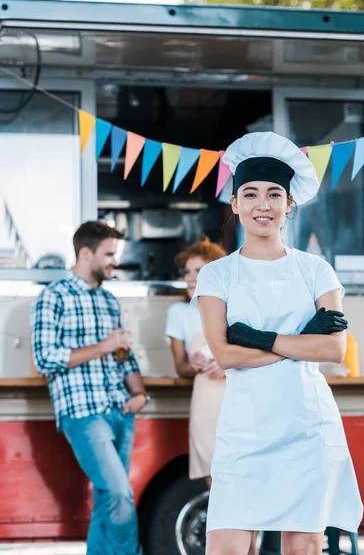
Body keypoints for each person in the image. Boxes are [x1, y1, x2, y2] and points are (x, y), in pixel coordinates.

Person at [192, 132, 363, 555]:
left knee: (303, 546)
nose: (262, 205)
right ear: (234, 204)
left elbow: (333, 350)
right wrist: (302, 336)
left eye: (274, 195)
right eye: (250, 194)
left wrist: (257, 337)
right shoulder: (217, 275)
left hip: (307, 426)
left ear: (289, 204)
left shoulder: (315, 270)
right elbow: (227, 355)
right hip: (244, 431)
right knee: (226, 548)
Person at [31, 220, 149, 555]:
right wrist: (104, 345)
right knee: (118, 493)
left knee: (105, 499)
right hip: (82, 413)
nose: (115, 261)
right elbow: (45, 359)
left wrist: (139, 394)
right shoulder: (52, 298)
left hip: (119, 410)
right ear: (86, 253)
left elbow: (123, 356)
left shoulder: (109, 301)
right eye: (109, 254)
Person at [165, 238, 227, 486]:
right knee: (214, 478)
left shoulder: (235, 308)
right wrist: (193, 365)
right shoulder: (178, 313)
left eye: (199, 271)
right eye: (187, 272)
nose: (190, 278)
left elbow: (257, 357)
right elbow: (180, 367)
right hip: (205, 404)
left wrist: (228, 364)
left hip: (238, 399)